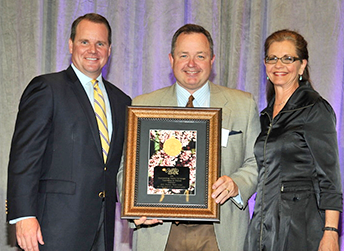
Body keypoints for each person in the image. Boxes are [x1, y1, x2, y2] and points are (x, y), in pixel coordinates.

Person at [117, 24, 260, 251]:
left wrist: (237, 184)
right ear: (171, 59)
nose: (191, 64)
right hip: (160, 231)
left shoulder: (243, 104)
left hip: (221, 231)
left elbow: (256, 161)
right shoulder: (144, 105)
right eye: (184, 55)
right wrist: (134, 209)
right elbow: (127, 168)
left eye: (200, 56)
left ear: (212, 60)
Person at [6, 13, 131, 251]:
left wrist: (141, 206)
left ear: (110, 49)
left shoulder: (121, 100)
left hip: (102, 230)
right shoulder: (47, 88)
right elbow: (25, 157)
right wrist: (22, 216)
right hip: (54, 228)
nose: (93, 50)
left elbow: (123, 165)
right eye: (85, 42)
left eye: (100, 43)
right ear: (71, 44)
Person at [244, 29, 343, 251]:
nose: (279, 65)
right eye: (272, 58)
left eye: (288, 58)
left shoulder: (315, 109)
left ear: (302, 65)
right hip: (263, 224)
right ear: (265, 64)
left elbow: (330, 177)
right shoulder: (264, 115)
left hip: (300, 228)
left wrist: (330, 232)